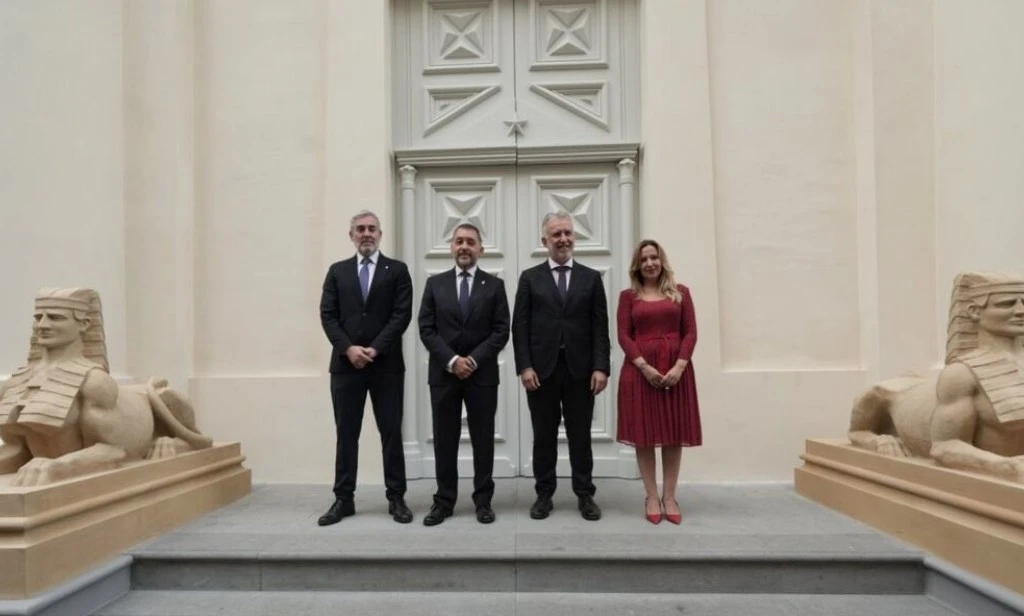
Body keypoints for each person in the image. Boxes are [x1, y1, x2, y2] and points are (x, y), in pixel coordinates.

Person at [512, 212, 610, 521]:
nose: (563, 239)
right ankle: (544, 494)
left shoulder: (591, 278)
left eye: (567, 233)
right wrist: (525, 367)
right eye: (556, 234)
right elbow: (520, 327)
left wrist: (601, 366)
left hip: (581, 371)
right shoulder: (530, 278)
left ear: (574, 237)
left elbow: (600, 327)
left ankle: (585, 494)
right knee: (543, 436)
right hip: (542, 372)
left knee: (581, 435)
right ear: (545, 241)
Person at [318, 210, 414, 525]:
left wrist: (375, 348)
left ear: (380, 234)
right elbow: (328, 314)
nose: (366, 233)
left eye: (372, 228)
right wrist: (348, 348)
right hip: (345, 368)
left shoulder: (397, 271)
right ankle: (343, 499)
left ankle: (396, 498)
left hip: (386, 366)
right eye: (360, 229)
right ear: (351, 236)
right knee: (346, 434)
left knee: (391, 432)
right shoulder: (337, 272)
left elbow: (401, 314)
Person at [417, 223, 510, 525]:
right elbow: (426, 328)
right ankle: (444, 502)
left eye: (470, 241)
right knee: (445, 441)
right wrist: (452, 360)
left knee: (483, 440)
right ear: (451, 248)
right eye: (459, 241)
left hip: (481, 377)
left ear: (480, 249)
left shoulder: (494, 286)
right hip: (443, 376)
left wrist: (473, 360)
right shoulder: (435, 285)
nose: (464, 246)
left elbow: (501, 330)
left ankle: (483, 502)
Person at [616, 239, 702, 525]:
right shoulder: (628, 297)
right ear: (637, 266)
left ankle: (670, 496)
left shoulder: (681, 293)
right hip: (640, 372)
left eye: (654, 257)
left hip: (676, 371)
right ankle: (652, 496)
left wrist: (680, 366)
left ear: (662, 261)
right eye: (644, 259)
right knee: (644, 434)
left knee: (673, 433)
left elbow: (690, 333)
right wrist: (644, 366)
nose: (650, 263)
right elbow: (624, 336)